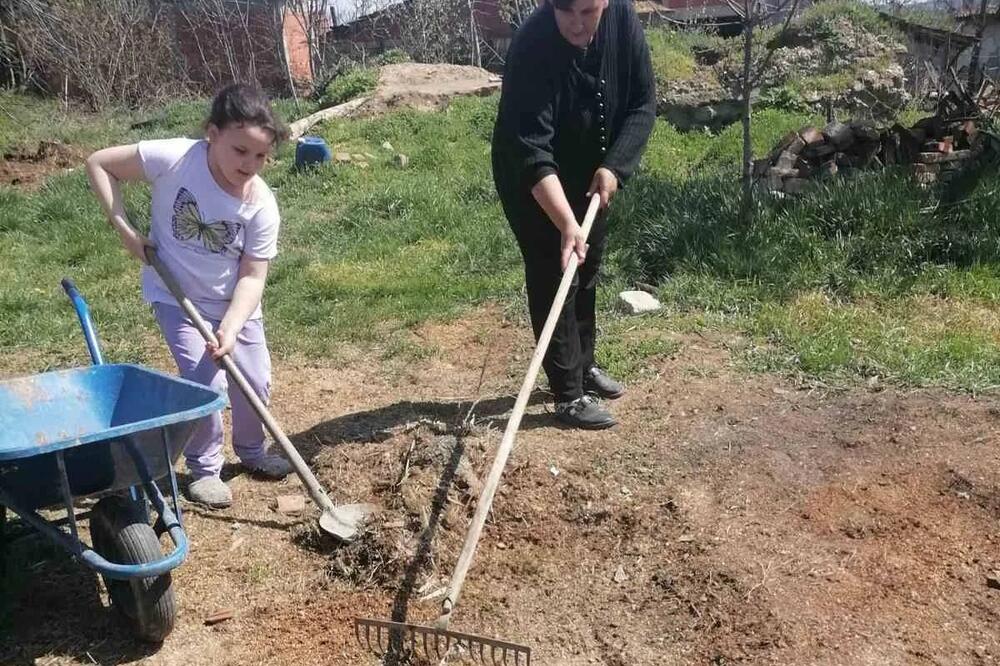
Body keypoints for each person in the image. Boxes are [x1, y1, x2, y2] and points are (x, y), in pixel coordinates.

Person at [86, 83, 292, 508]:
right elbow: (99, 164)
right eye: (240, 150)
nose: (250, 164)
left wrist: (231, 327)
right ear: (212, 134)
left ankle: (252, 451)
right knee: (205, 381)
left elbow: (253, 276)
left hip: (235, 305)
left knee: (254, 379)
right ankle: (205, 468)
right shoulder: (176, 158)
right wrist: (125, 229)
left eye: (260, 156)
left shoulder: (261, 205)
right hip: (176, 297)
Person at [491, 0, 656, 429]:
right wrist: (565, 222)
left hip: (592, 170)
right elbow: (531, 150)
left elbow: (642, 103)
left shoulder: (623, 20)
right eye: (567, 13)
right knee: (554, 268)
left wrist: (614, 166)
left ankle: (584, 365)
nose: (578, 25)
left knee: (589, 262)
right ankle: (567, 393)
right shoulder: (531, 45)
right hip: (533, 175)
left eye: (589, 12)